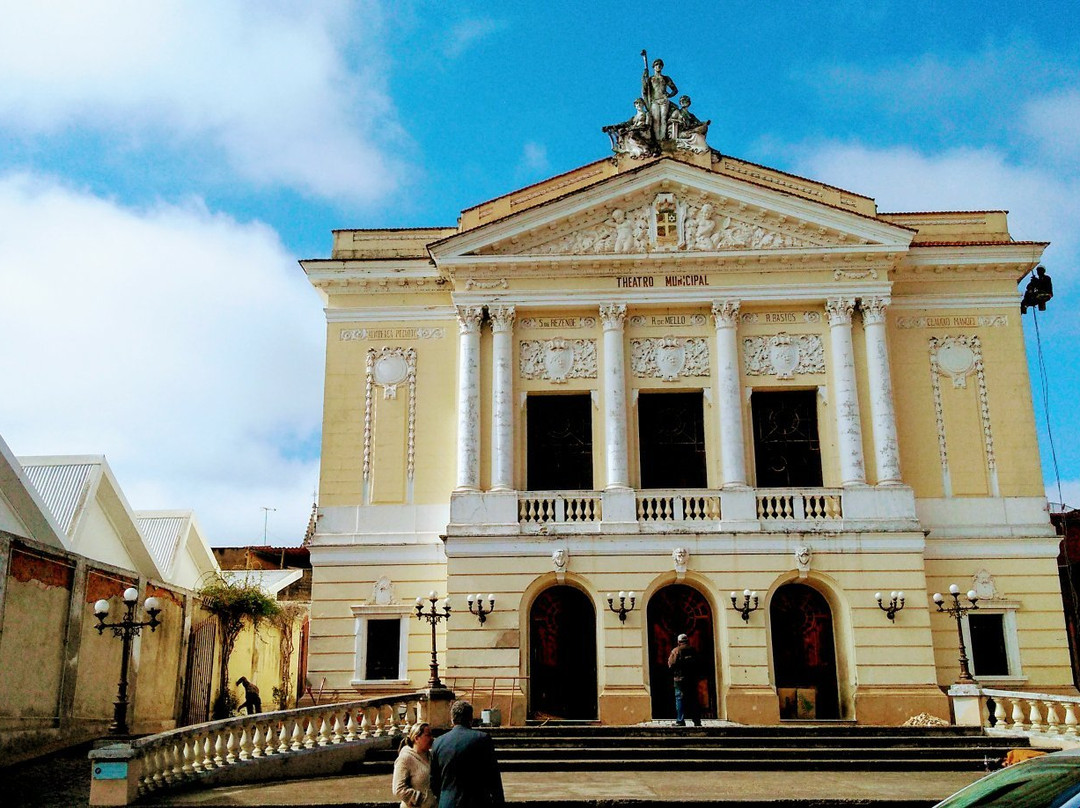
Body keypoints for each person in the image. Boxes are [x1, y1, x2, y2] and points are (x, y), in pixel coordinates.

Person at [429, 700, 504, 808]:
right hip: (477, 801)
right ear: (471, 719)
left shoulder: (438, 742)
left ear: (452, 719)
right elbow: (493, 777)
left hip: (448, 802)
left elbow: (434, 780)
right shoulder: (482, 739)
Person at [393, 722, 437, 808]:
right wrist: (420, 799)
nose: (432, 738)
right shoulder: (405, 758)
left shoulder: (431, 756)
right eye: (428, 735)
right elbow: (398, 789)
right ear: (417, 738)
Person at [667, 633, 701, 726]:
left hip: (679, 679)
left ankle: (680, 720)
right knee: (693, 699)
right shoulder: (693, 650)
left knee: (679, 699)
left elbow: (671, 664)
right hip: (692, 679)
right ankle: (697, 721)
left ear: (678, 642)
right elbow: (699, 664)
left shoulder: (676, 651)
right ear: (687, 641)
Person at [642, 58, 678, 143]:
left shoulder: (665, 78)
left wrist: (669, 95)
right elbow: (644, 90)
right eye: (656, 65)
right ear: (653, 67)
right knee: (656, 120)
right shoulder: (651, 79)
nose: (658, 67)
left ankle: (662, 138)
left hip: (664, 100)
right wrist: (644, 77)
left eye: (660, 65)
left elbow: (675, 90)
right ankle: (657, 139)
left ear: (662, 67)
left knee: (663, 119)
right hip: (655, 101)